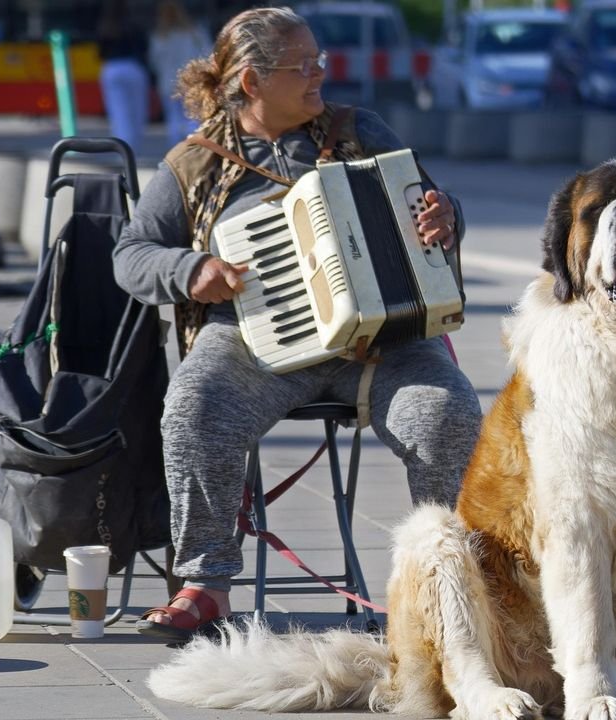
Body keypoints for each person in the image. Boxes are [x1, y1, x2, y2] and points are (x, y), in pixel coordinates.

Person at [112, 7, 482, 643]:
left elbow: (429, 207)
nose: (320, 75)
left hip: (384, 344)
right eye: (302, 66)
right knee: (194, 406)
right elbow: (131, 254)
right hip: (255, 340)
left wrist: (445, 217)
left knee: (447, 413)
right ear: (253, 82)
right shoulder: (194, 163)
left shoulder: (361, 131)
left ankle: (453, 585)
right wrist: (191, 268)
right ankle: (205, 584)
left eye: (320, 62)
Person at [148, 0, 211, 147]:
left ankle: (177, 153)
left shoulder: (159, 36)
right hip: (192, 80)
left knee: (174, 120)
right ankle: (195, 149)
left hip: (168, 83)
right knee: (193, 118)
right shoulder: (195, 32)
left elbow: (154, 61)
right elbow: (207, 53)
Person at [98, 0, 151, 151]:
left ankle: (121, 149)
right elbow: (144, 49)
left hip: (112, 68)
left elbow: (100, 52)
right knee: (137, 113)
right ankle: (132, 148)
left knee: (118, 113)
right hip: (133, 67)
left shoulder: (105, 27)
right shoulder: (135, 26)